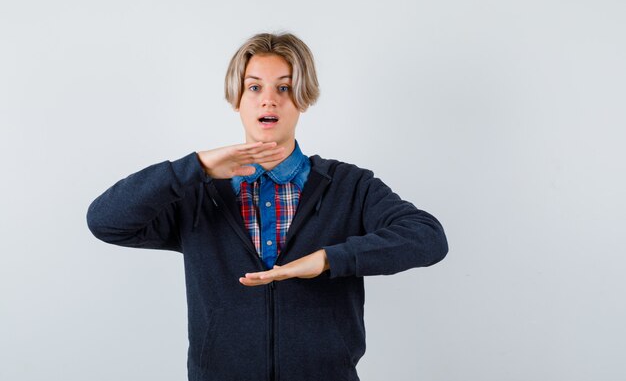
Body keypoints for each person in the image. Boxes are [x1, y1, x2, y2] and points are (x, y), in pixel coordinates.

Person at [86, 32, 448, 381]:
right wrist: (195, 167)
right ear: (237, 99)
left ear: (303, 98)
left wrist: (326, 259)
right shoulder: (197, 193)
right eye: (254, 87)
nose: (268, 100)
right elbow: (106, 221)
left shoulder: (349, 186)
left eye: (285, 88)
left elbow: (428, 237)